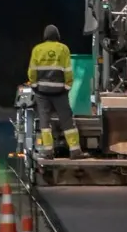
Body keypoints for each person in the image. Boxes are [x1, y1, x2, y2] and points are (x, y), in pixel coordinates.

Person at [27, 24, 85, 159]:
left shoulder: (37, 49)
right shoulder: (63, 49)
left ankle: (48, 152)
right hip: (59, 92)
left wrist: (35, 86)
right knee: (67, 121)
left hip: (42, 92)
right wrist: (67, 87)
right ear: (57, 36)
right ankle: (75, 151)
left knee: (44, 121)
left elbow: (32, 71)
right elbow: (68, 71)